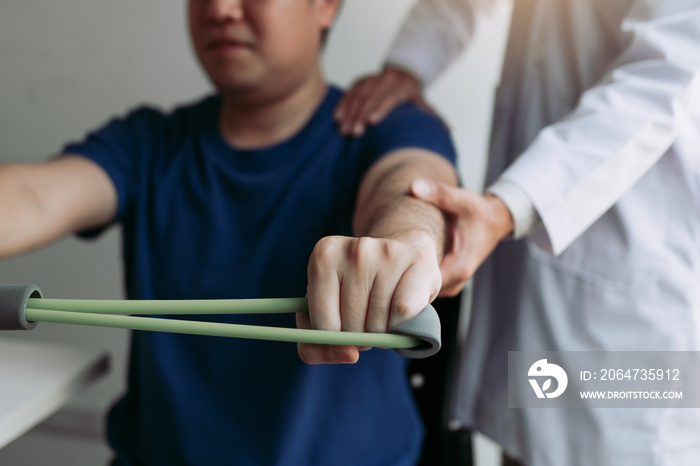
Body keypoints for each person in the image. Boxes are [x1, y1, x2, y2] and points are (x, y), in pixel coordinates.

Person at [0, 0, 460, 464]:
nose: (219, 9)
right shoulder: (149, 143)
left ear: (325, 6)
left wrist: (406, 243)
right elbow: (31, 197)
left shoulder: (392, 128)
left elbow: (409, 189)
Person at [335, 0, 700, 465]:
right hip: (528, 260)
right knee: (525, 439)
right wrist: (410, 64)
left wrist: (512, 205)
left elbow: (665, 73)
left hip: (630, 274)